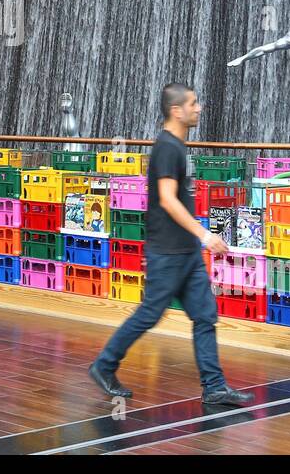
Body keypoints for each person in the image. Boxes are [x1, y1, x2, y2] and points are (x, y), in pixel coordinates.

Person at [89, 84, 256, 407]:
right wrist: (205, 235)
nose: (199, 108)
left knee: (205, 315)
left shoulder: (177, 146)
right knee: (150, 314)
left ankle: (215, 386)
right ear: (176, 111)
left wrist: (196, 242)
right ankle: (104, 365)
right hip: (167, 252)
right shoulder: (167, 148)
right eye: (193, 103)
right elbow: (167, 199)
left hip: (186, 253)